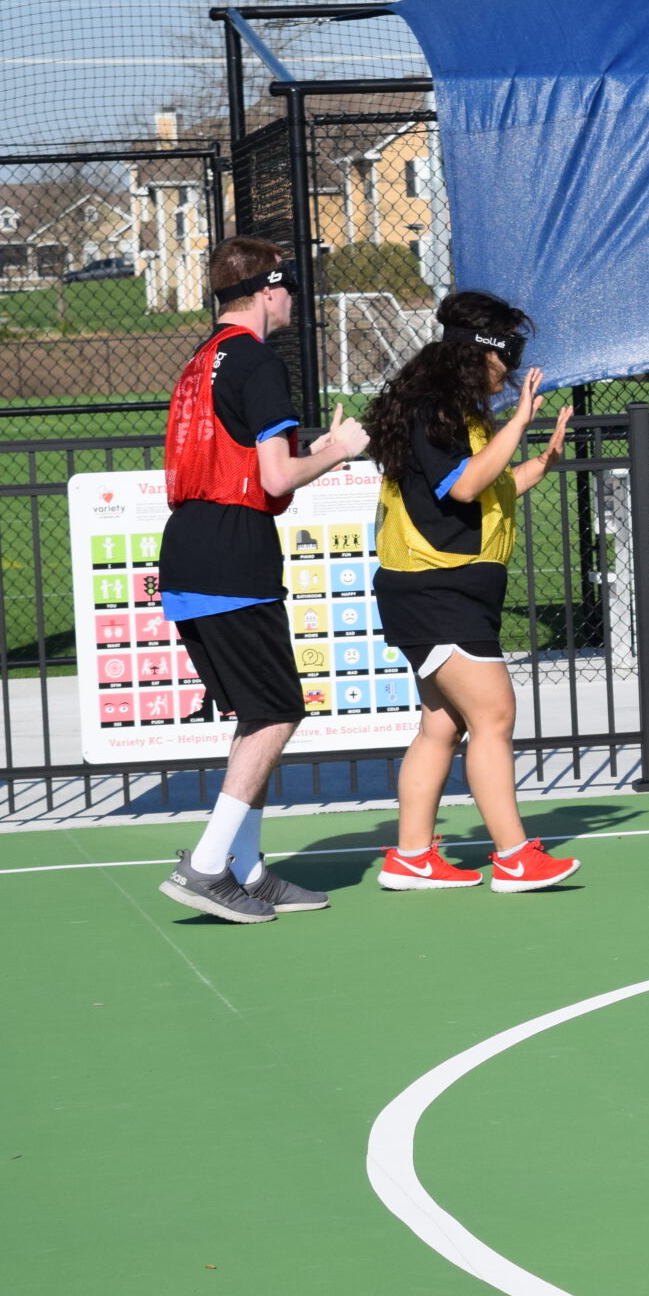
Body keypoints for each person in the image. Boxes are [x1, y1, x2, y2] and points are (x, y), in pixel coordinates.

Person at [156, 237, 370, 923]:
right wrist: (338, 450)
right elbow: (278, 478)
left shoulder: (199, 362)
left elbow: (255, 469)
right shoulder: (256, 360)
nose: (294, 303)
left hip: (190, 547)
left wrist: (315, 454)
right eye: (291, 290)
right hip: (231, 554)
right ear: (268, 290)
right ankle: (209, 864)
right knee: (278, 710)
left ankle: (246, 869)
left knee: (256, 710)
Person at [362, 291, 581, 893]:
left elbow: (485, 488)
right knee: (494, 715)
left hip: (440, 591)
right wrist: (517, 424)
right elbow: (461, 488)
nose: (510, 368)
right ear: (479, 352)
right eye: (506, 352)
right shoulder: (435, 408)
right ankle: (514, 857)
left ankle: (411, 857)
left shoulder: (455, 411)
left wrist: (542, 459)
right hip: (436, 592)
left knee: (441, 726)